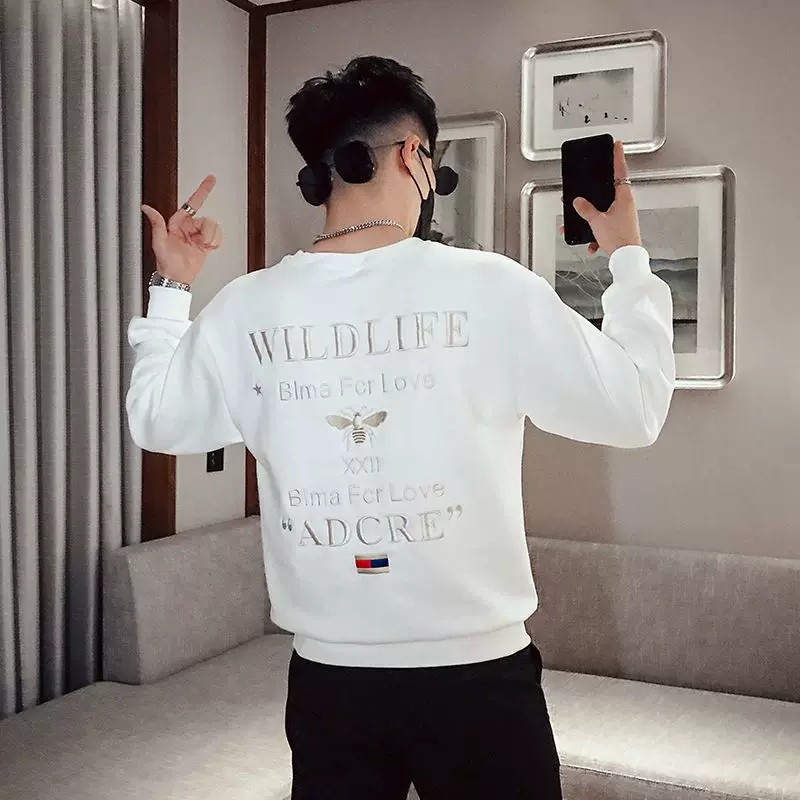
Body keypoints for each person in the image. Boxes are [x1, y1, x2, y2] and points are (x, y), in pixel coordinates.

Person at [127, 56, 675, 800]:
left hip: (330, 685)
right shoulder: (489, 287)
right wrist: (629, 258)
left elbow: (157, 421)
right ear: (415, 157)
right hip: (479, 682)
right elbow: (635, 407)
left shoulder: (247, 306)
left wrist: (172, 284)